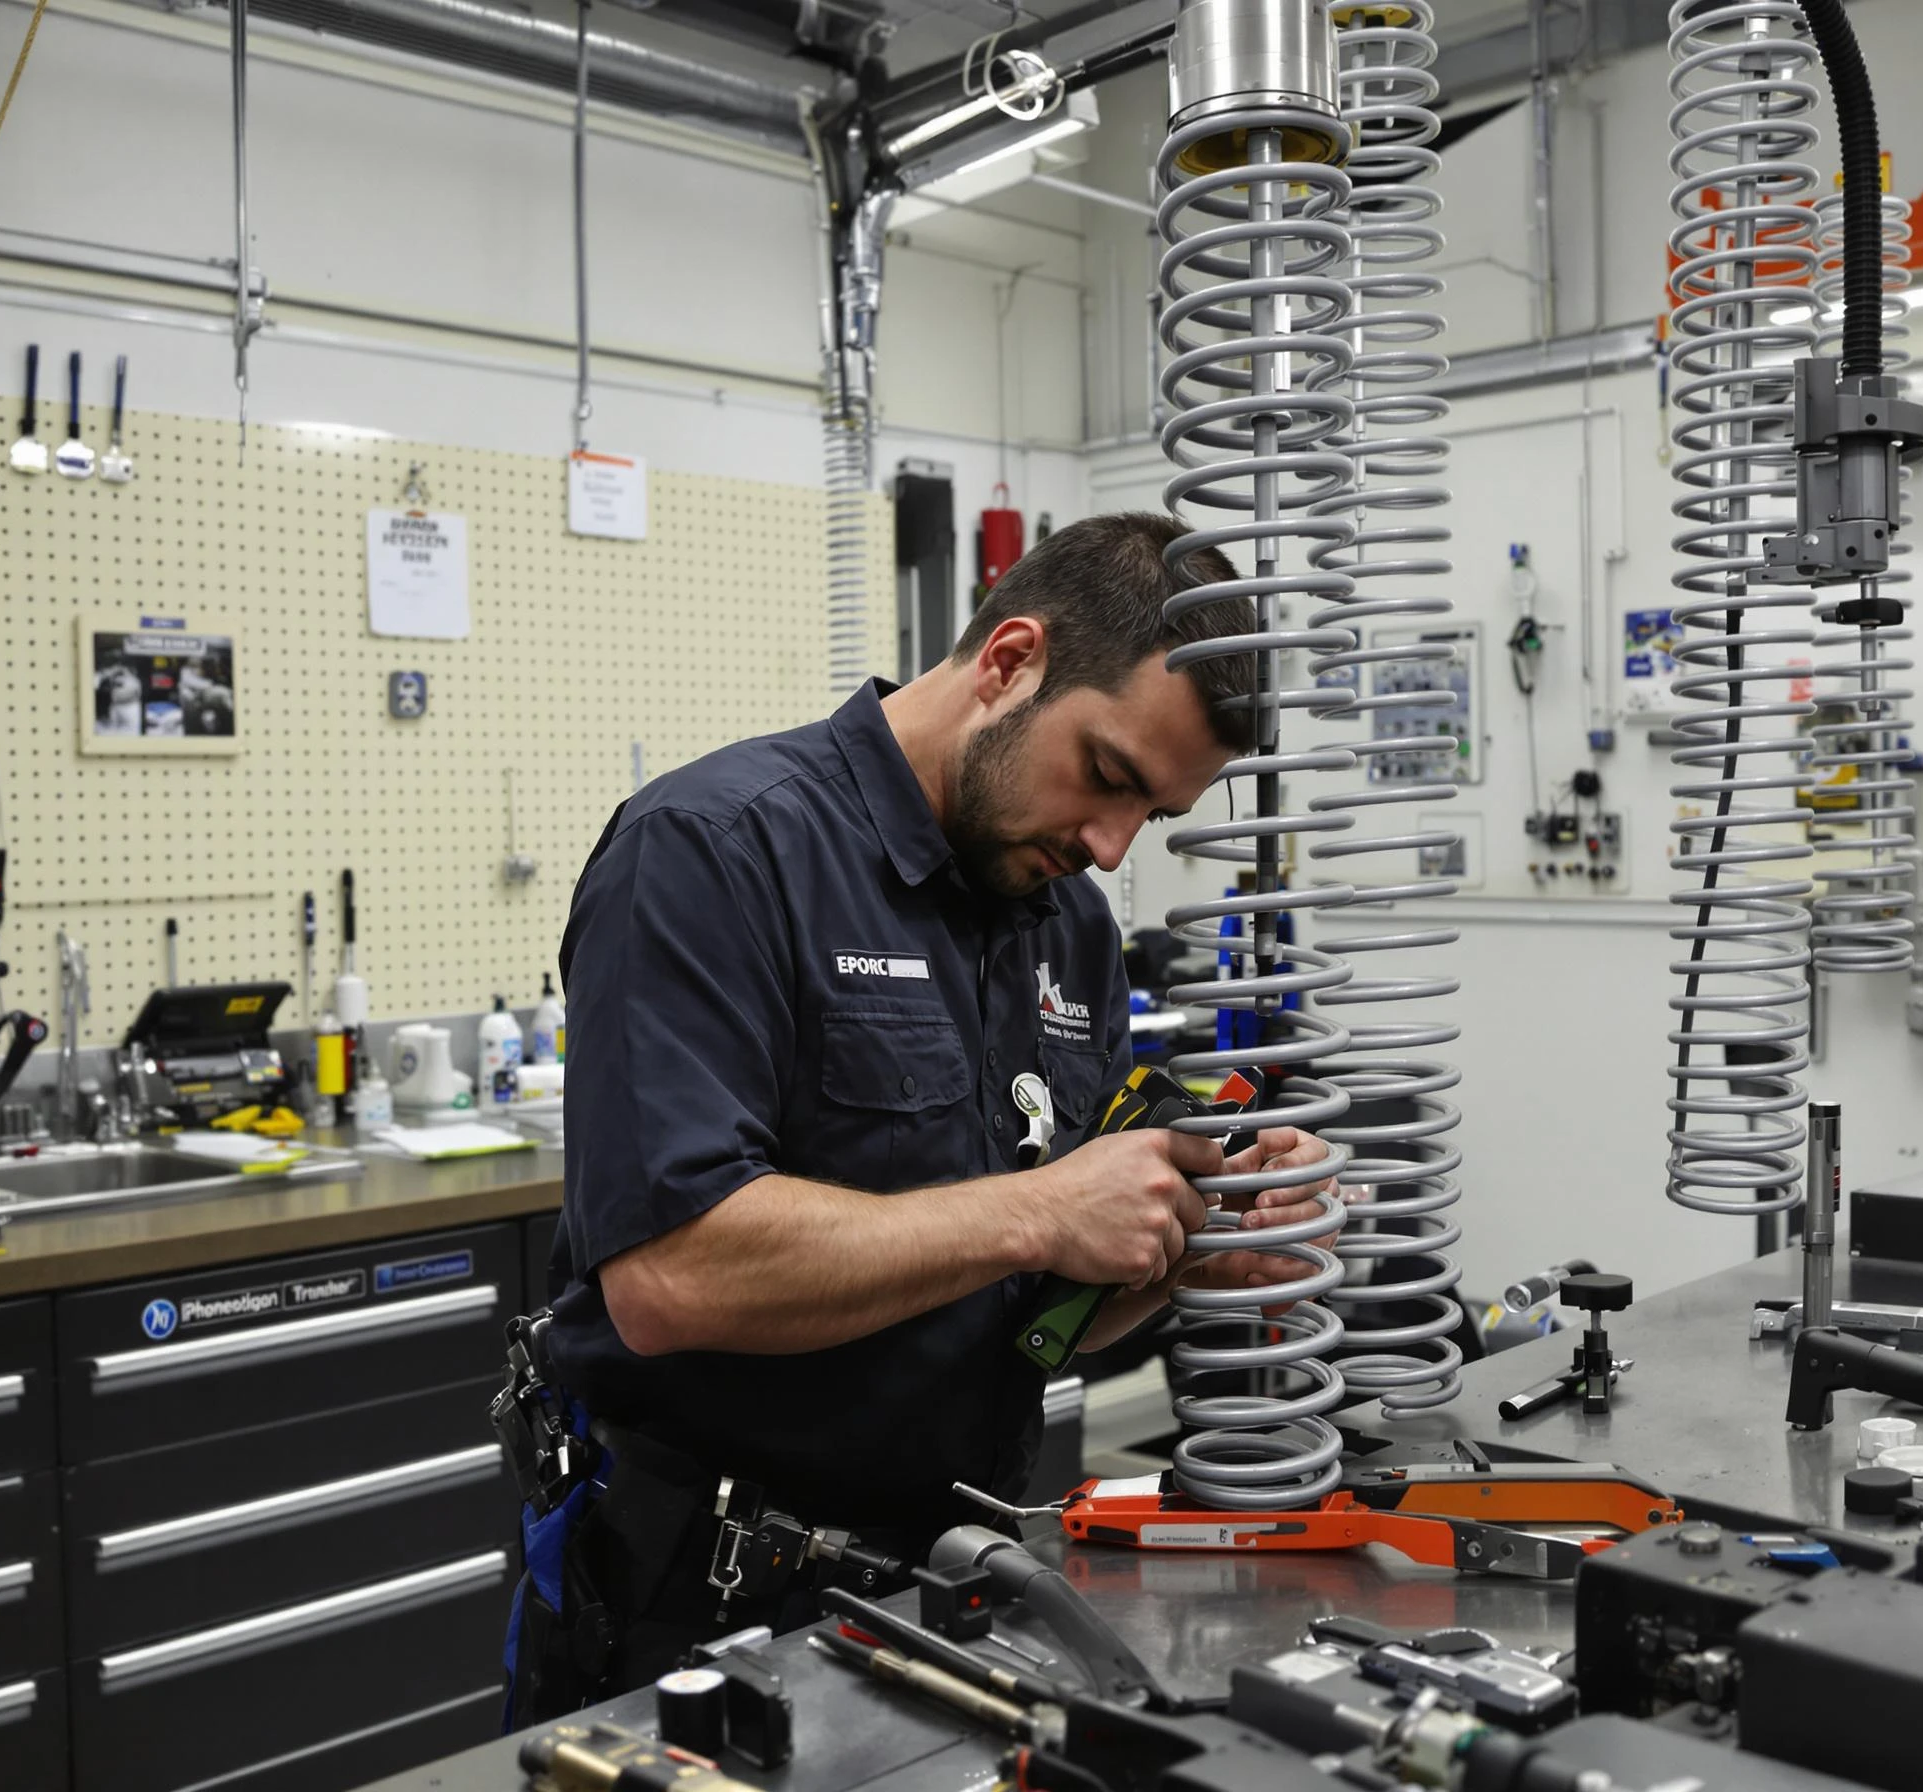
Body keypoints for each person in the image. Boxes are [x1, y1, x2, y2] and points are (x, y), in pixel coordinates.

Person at [506, 511, 1339, 1724]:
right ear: (1009, 661)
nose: (1110, 848)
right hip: (695, 1612)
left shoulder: (1065, 919)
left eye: (1149, 816)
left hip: (953, 1593)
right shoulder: (714, 850)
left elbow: (1039, 1317)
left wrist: (1184, 1252)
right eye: (1108, 775)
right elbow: (669, 1274)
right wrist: (1042, 1209)